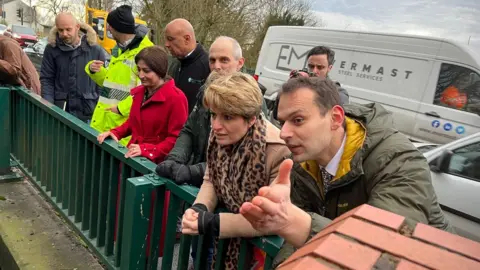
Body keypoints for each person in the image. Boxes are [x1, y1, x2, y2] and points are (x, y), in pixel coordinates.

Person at [240, 77, 453, 266]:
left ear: (335, 118)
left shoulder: (397, 160)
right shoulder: (301, 165)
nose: (284, 133)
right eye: (282, 122)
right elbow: (292, 243)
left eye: (298, 120)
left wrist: (297, 224)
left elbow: (388, 248)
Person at [180, 72, 290, 269]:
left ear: (251, 119)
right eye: (213, 115)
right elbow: (211, 179)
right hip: (223, 241)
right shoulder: (219, 136)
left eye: (228, 117)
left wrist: (212, 223)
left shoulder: (278, 150)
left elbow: (269, 218)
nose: (216, 125)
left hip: (258, 254)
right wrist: (200, 208)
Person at [96, 46, 188, 163]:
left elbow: (176, 139)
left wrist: (146, 149)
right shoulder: (140, 92)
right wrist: (115, 133)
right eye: (139, 69)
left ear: (160, 70)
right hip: (133, 158)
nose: (140, 75)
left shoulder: (177, 98)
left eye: (146, 71)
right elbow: (133, 122)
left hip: (156, 166)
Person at [87, 5, 154, 144]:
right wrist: (94, 71)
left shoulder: (146, 53)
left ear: (116, 28)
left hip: (122, 132)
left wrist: (119, 109)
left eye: (110, 26)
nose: (108, 29)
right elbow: (112, 85)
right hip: (105, 125)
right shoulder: (120, 49)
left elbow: (147, 92)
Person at [40, 13, 104, 123]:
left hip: (88, 113)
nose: (64, 34)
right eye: (60, 30)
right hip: (61, 111)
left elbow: (102, 83)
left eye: (68, 29)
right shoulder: (52, 49)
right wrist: (48, 107)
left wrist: (100, 109)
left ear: (77, 27)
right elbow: (47, 79)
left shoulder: (95, 50)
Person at [165, 18, 210, 113]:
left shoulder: (208, 65)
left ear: (187, 39)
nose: (166, 44)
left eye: (170, 39)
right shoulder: (174, 63)